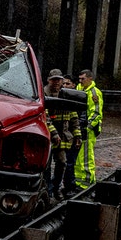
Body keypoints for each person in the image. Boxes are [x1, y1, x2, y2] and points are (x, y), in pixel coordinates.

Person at [44, 69, 81, 201]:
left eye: (58, 79)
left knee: (62, 163)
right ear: (49, 80)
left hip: (63, 137)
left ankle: (55, 188)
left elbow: (74, 116)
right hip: (47, 136)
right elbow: (45, 116)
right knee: (46, 166)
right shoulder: (43, 93)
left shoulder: (66, 94)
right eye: (54, 79)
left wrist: (77, 135)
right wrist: (53, 133)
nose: (56, 82)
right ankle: (47, 191)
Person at [74, 69, 103, 190]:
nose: (80, 81)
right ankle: (79, 180)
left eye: (83, 79)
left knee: (86, 157)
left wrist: (87, 127)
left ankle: (87, 182)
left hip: (87, 130)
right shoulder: (79, 89)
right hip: (79, 128)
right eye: (79, 79)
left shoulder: (94, 93)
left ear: (90, 78)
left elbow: (96, 113)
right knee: (78, 157)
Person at [61, 74, 81, 195]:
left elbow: (79, 118)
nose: (65, 86)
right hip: (60, 135)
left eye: (68, 83)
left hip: (71, 135)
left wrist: (78, 134)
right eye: (63, 83)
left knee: (69, 162)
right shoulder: (59, 95)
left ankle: (69, 186)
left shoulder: (77, 98)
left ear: (74, 85)